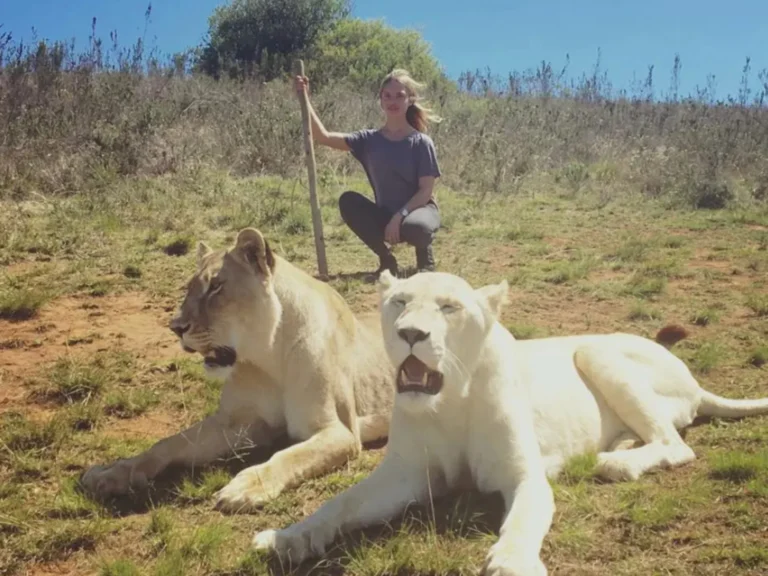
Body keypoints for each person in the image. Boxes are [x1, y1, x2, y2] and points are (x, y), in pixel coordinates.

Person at [293, 68, 443, 277]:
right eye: (387, 96)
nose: (393, 101)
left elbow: (425, 191)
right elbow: (323, 136)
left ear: (409, 100)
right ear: (380, 100)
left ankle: (424, 259)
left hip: (419, 212)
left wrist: (399, 216)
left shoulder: (421, 142)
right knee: (348, 201)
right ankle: (386, 260)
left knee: (417, 226)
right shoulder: (369, 140)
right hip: (386, 214)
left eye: (399, 96)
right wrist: (305, 98)